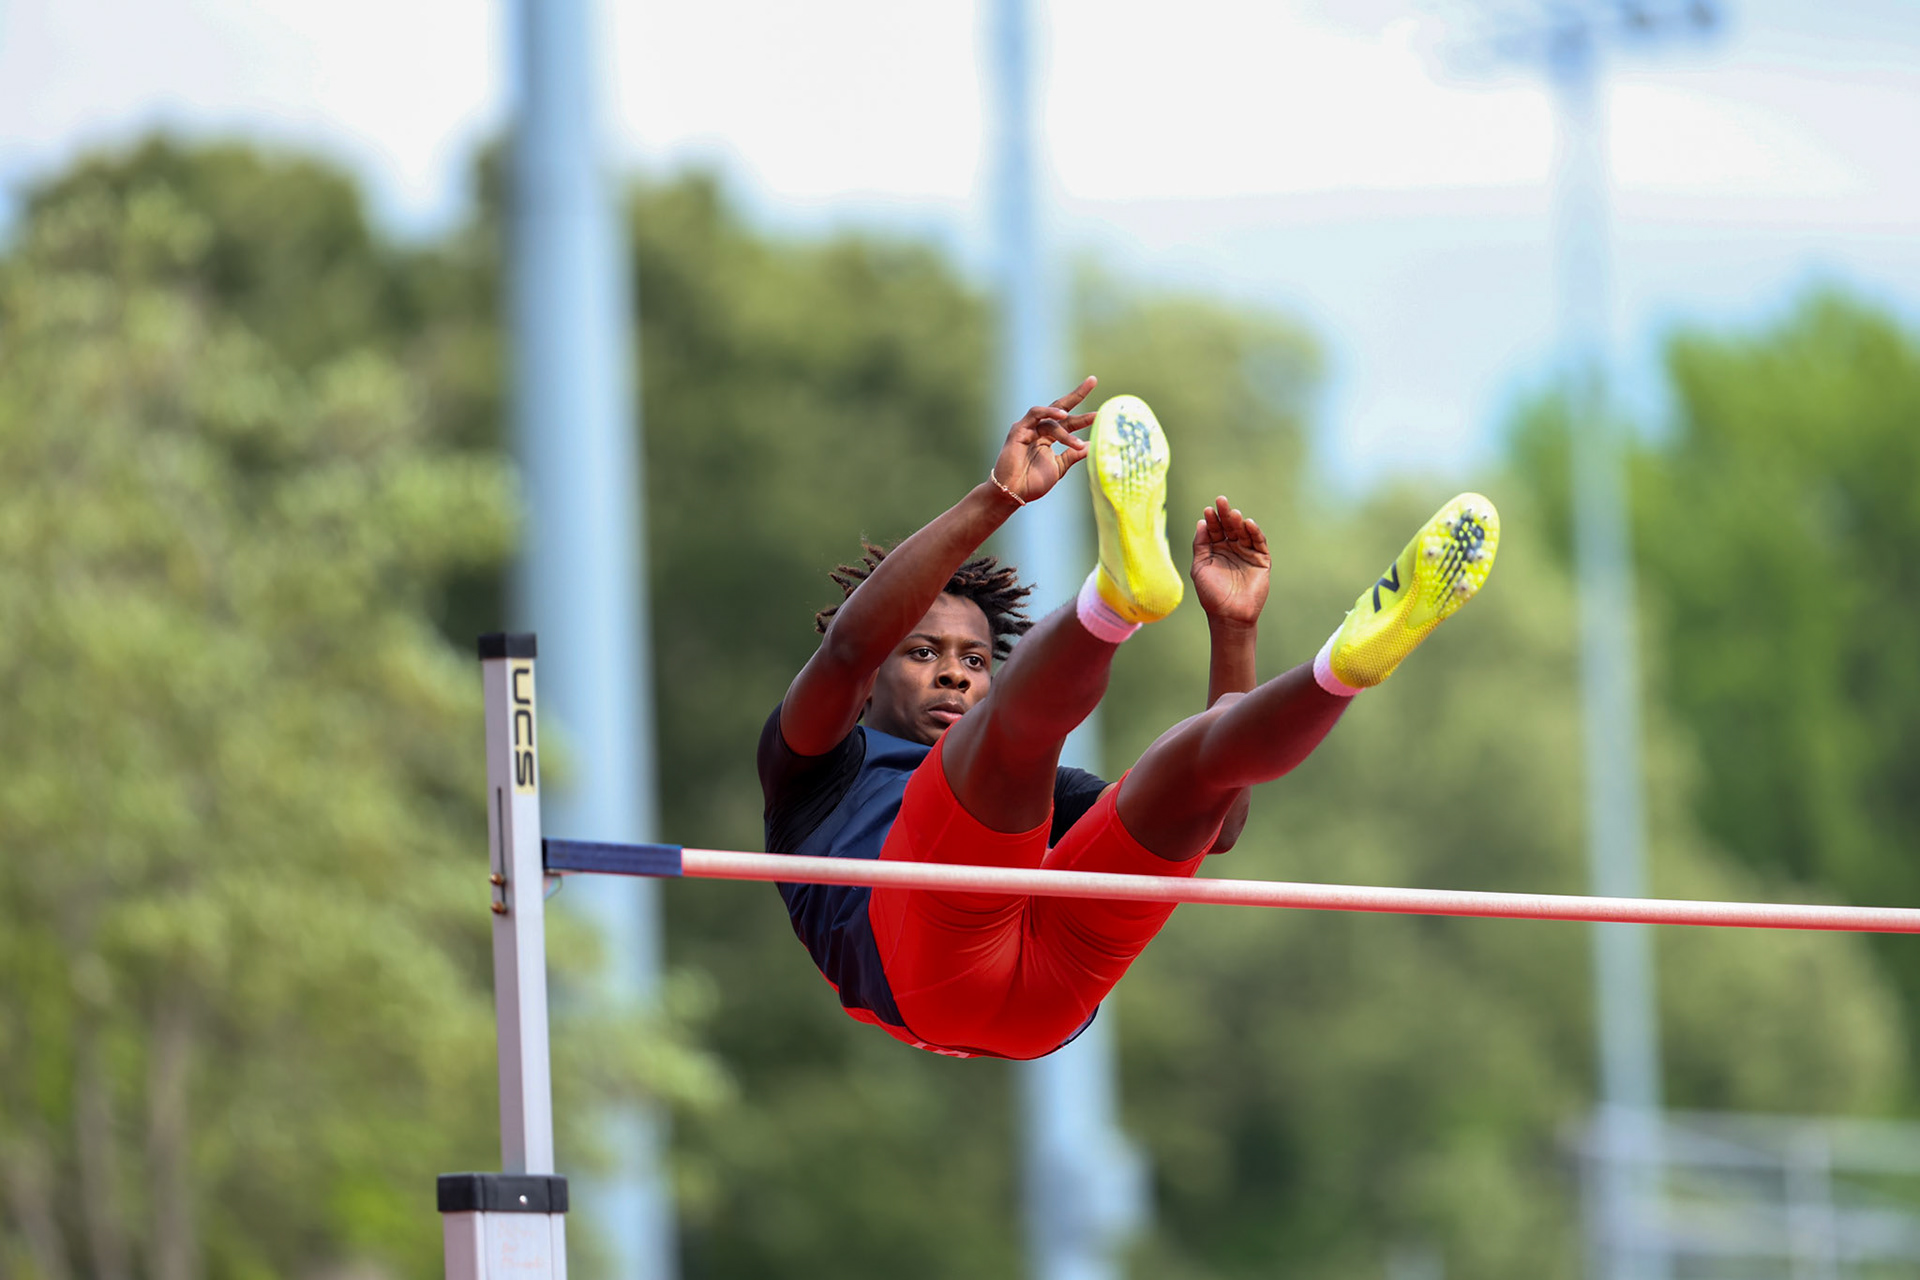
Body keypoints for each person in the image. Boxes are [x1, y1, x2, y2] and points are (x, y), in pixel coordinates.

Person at [757, 376, 1498, 1059]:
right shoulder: (818, 765)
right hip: (924, 968)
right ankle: (1114, 604)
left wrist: (1234, 630)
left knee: (1188, 763)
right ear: (871, 683)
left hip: (1051, 997)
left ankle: (1340, 669)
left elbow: (1220, 824)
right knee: (1015, 738)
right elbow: (851, 644)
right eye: (922, 652)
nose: (954, 670)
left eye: (977, 660)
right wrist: (998, 497)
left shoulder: (1016, 778)